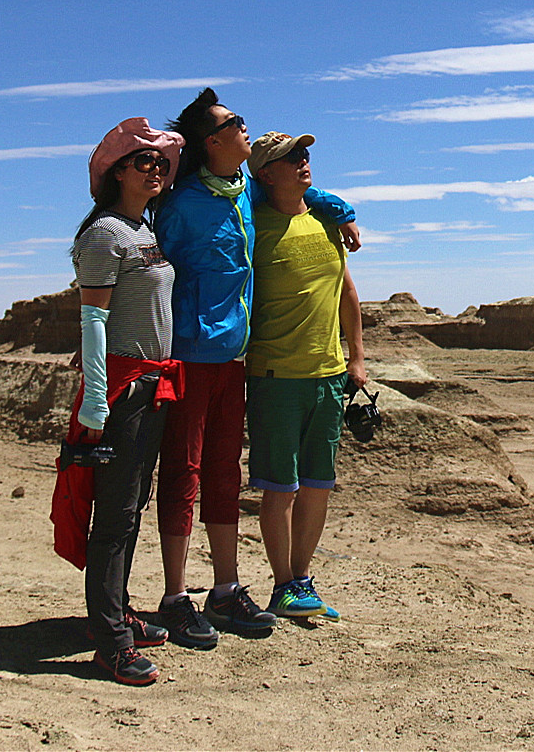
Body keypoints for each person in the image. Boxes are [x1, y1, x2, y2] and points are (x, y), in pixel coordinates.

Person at [151, 89, 360, 647]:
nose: (247, 127)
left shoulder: (244, 192)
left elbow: (300, 194)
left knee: (222, 473)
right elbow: (152, 271)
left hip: (234, 360)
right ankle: (175, 596)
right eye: (236, 123)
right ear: (212, 142)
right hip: (187, 355)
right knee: (183, 473)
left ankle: (224, 589)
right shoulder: (179, 202)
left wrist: (342, 211)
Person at [58, 118, 184, 686]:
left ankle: (115, 614)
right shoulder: (106, 233)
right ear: (115, 172)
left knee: (131, 507)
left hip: (152, 383)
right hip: (123, 387)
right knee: (113, 514)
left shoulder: (142, 230)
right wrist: (95, 402)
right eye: (142, 161)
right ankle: (110, 643)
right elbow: (92, 321)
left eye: (160, 162)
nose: (155, 168)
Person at [245, 130, 367, 621]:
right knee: (281, 487)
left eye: (306, 154)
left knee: (319, 483)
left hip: (328, 374)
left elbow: (347, 295)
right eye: (290, 157)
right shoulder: (253, 226)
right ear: (266, 173)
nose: (303, 162)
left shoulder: (323, 221)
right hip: (276, 375)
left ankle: (301, 580)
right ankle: (282, 585)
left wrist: (356, 358)